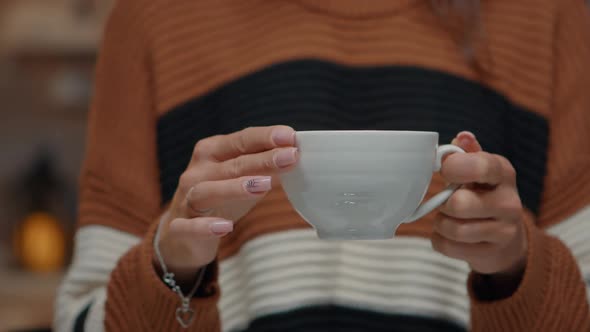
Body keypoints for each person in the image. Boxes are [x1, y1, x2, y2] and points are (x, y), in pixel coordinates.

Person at [55, 0, 590, 331]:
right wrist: (171, 267)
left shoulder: (549, 16)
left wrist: (516, 270)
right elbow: (81, 320)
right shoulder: (153, 18)